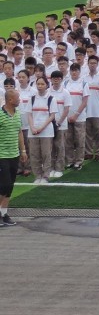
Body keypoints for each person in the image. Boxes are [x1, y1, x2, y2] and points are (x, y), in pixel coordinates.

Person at [1, 86, 25, 226]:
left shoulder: (17, 114)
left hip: (14, 154)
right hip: (1, 155)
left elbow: (19, 132)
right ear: (10, 100)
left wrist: (23, 151)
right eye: (17, 98)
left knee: (10, 186)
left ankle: (4, 213)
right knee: (4, 184)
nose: (19, 100)